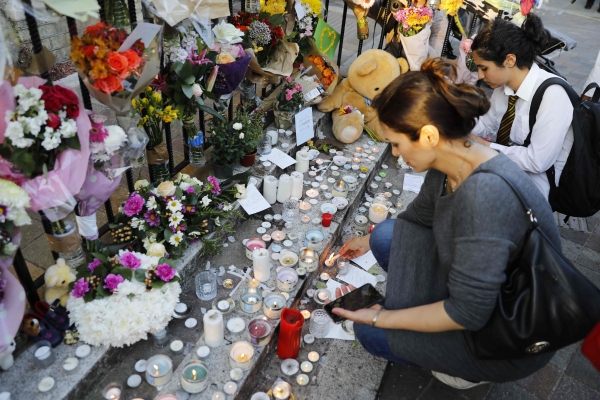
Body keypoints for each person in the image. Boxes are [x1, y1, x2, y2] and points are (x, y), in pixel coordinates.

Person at [335, 58, 558, 390]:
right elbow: (421, 216)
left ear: (427, 135)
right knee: (383, 236)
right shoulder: (453, 157)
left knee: (368, 332)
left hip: (505, 332)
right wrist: (365, 241)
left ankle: (468, 371)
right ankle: (418, 313)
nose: (395, 154)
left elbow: (468, 313)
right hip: (483, 289)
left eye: (396, 144)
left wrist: (381, 316)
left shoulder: (485, 196)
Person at [468, 14, 574, 199]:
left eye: (484, 68)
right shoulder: (504, 86)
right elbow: (486, 123)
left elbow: (537, 161)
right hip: (506, 170)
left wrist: (485, 145)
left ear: (509, 60)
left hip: (536, 188)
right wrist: (454, 123)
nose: (480, 76)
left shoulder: (553, 95)